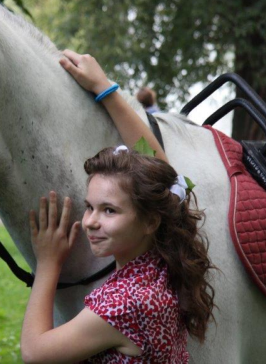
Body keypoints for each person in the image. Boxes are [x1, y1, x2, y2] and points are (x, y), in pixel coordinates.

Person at [20, 50, 215, 363]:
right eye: (90, 207)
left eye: (109, 210)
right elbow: (167, 179)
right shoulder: (161, 264)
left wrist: (47, 264)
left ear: (151, 220)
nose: (90, 222)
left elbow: (34, 353)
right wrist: (104, 88)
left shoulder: (124, 303)